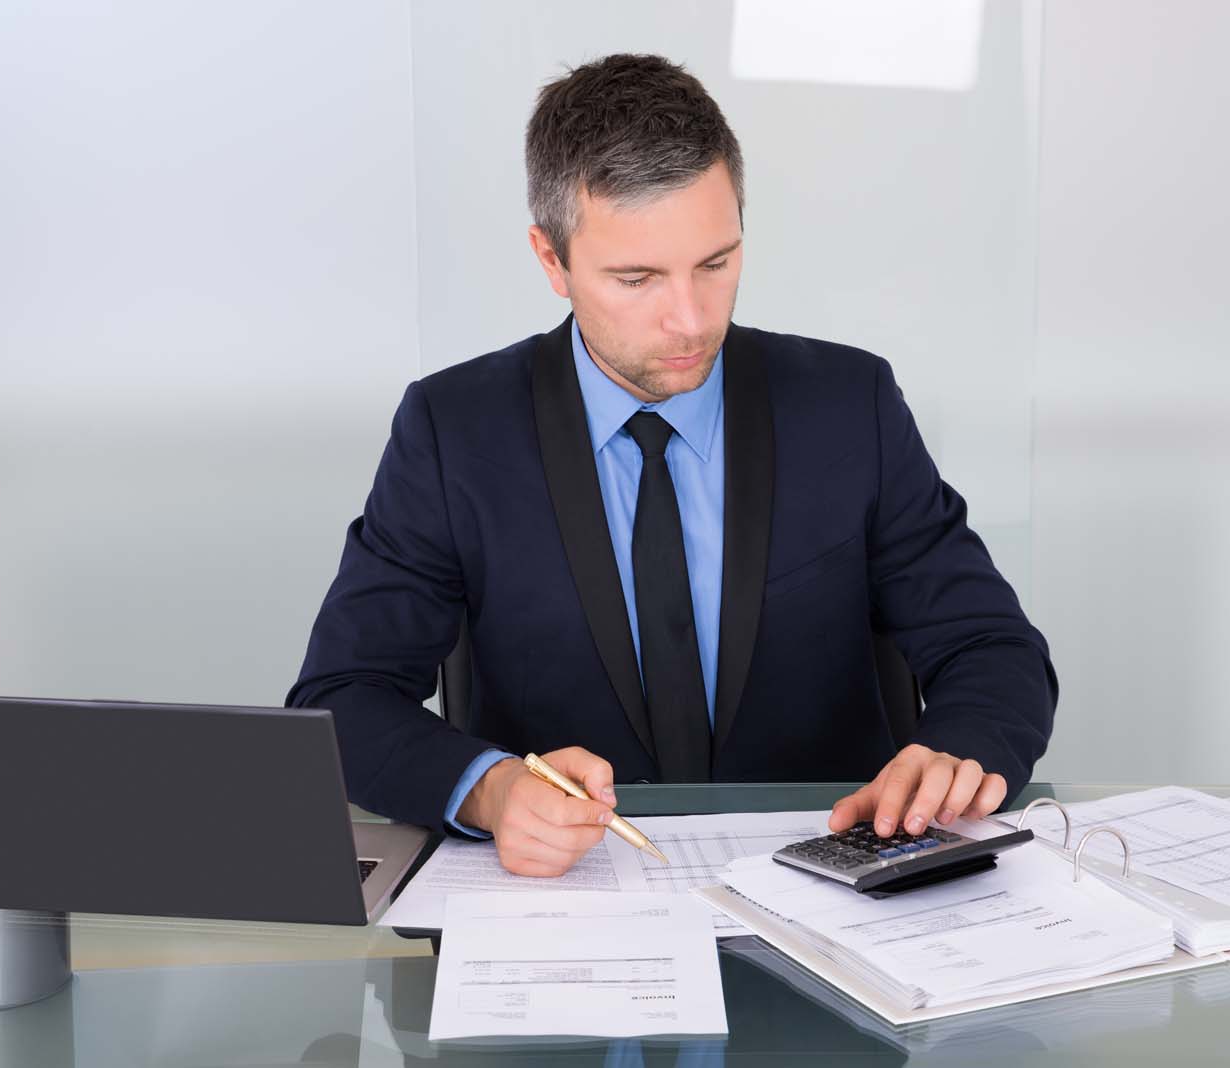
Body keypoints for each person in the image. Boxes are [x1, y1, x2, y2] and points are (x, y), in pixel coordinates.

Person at [288, 53, 1057, 877]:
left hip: (835, 895)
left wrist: (955, 753)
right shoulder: (454, 432)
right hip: (567, 906)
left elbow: (991, 647)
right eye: (637, 278)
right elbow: (344, 698)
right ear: (552, 260)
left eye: (715, 264)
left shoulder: (849, 405)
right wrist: (489, 790)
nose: (690, 320)